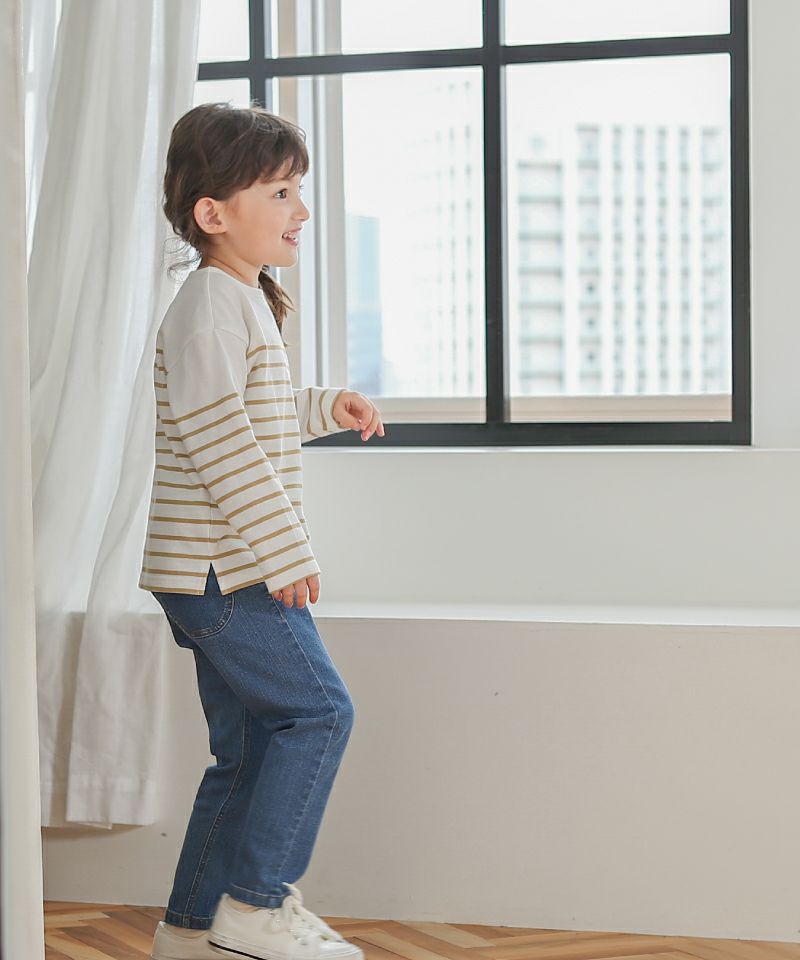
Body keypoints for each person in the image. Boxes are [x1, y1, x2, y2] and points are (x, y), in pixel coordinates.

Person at [141, 101, 383, 960]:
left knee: (245, 753)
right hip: (226, 569)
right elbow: (219, 441)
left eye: (297, 191)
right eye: (280, 192)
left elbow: (248, 414)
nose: (300, 210)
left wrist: (323, 406)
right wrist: (284, 553)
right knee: (319, 713)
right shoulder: (211, 303)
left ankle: (189, 931)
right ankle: (255, 905)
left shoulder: (235, 301)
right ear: (213, 213)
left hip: (211, 569)